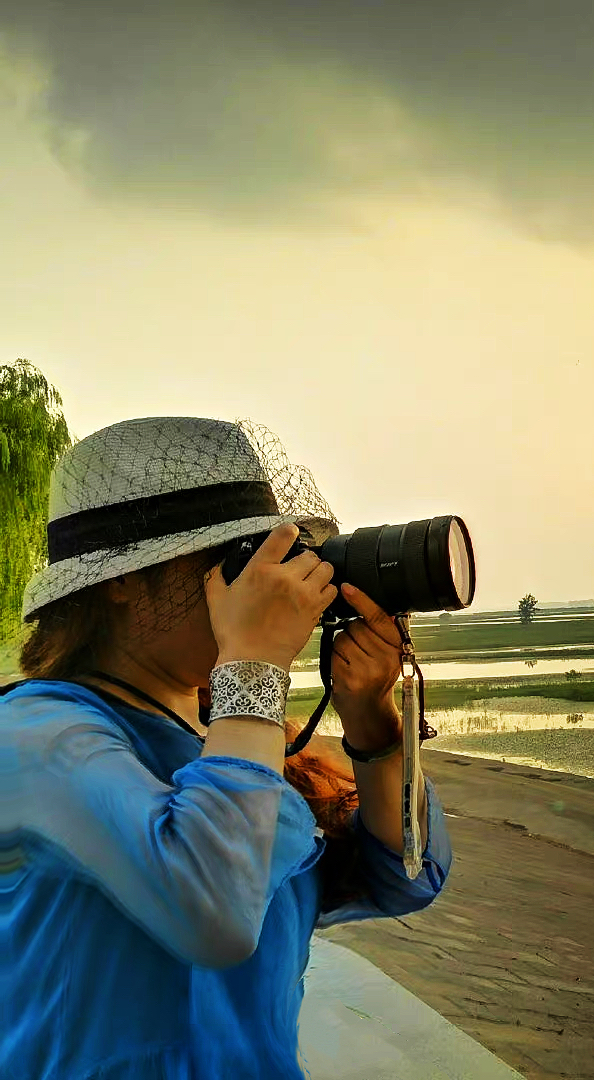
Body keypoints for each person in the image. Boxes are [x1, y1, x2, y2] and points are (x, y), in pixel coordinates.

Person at [0, 417, 453, 1079]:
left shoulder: (228, 738)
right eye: (235, 562)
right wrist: (252, 671)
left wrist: (373, 724)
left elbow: (407, 878)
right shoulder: (37, 735)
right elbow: (212, 910)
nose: (263, 588)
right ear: (122, 580)